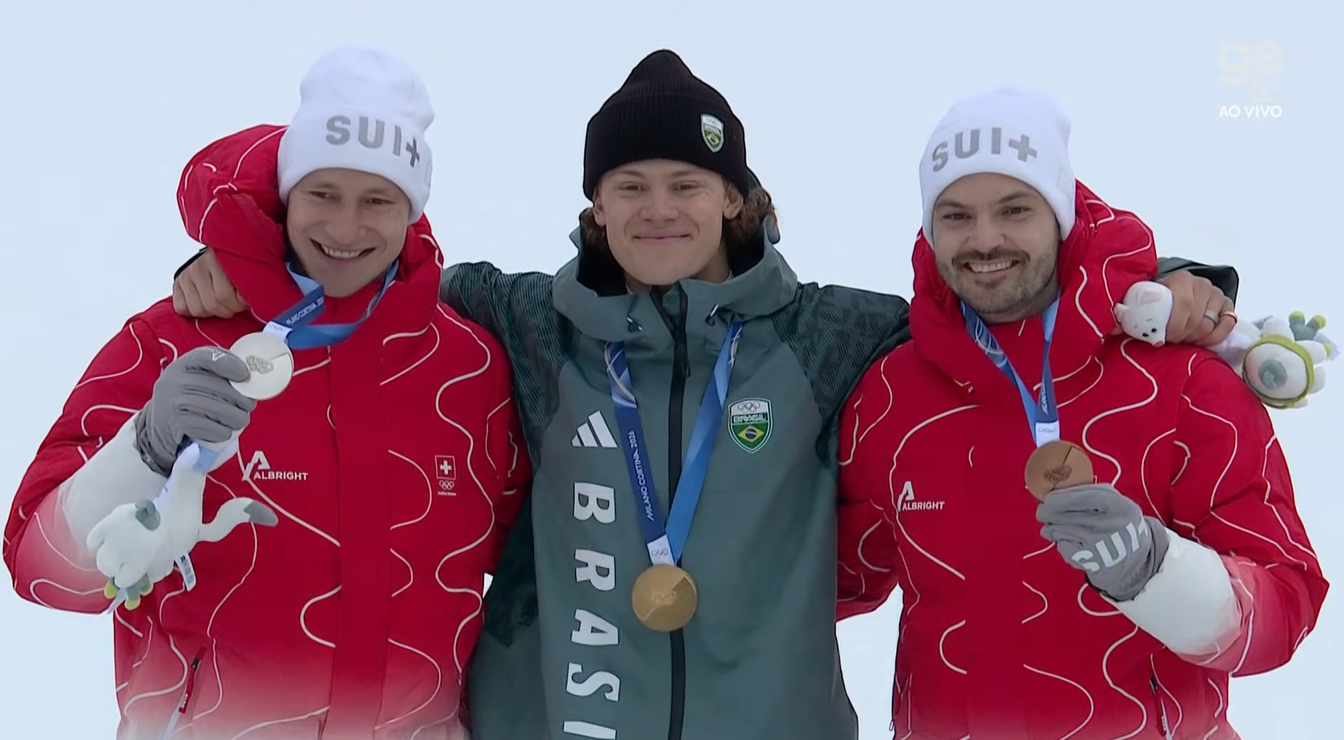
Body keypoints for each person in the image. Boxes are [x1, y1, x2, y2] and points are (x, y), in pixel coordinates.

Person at [167, 51, 1237, 740]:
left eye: (687, 183)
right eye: (628, 185)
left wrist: (1159, 288)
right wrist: (250, 265)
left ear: (736, 198)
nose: (659, 207)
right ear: (594, 210)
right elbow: (364, 266)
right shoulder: (519, 318)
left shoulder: (835, 333)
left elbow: (1000, 296)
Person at [2, 45, 529, 740]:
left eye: (377, 200)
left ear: (414, 207)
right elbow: (45, 573)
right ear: (286, 197)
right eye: (322, 195)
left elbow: (531, 569)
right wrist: (147, 445)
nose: (345, 229)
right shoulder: (177, 339)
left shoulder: (469, 368)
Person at [835, 87, 1327, 739]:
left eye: (1014, 209)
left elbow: (1285, 606)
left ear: (1062, 213)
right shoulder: (891, 394)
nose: (985, 240)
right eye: (956, 215)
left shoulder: (1182, 381)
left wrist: (1161, 573)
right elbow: (833, 577)